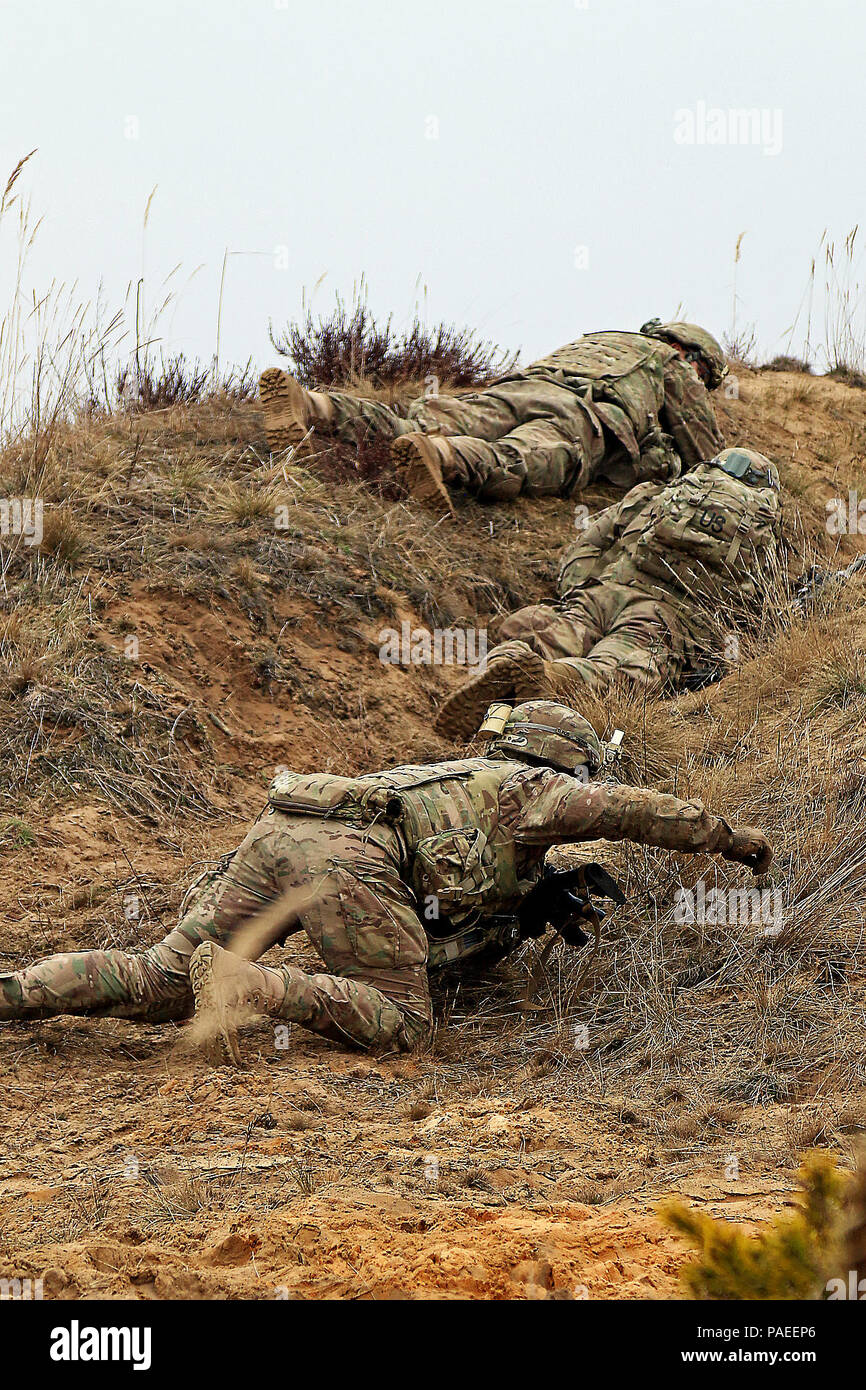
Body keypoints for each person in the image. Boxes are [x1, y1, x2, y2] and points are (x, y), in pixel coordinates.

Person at [0, 703, 772, 1060]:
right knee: (403, 1023)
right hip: (349, 857)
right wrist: (733, 840)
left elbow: (433, 927)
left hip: (284, 827)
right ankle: (252, 987)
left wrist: (522, 913)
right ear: (565, 760)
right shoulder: (535, 788)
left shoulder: (455, 777)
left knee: (163, 980)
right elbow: (640, 812)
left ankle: (16, 993)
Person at [436, 448, 783, 736]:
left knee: (550, 633)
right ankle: (550, 678)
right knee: (618, 670)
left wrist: (577, 590)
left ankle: (506, 662)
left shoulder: (659, 494)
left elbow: (589, 542)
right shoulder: (760, 531)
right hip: (663, 620)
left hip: (604, 592)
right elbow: (754, 613)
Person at [258, 320, 726, 514]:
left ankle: (313, 406)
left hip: (516, 388)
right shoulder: (673, 365)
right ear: (692, 356)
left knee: (411, 422)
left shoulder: (600, 337)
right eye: (705, 376)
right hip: (578, 414)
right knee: (522, 459)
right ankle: (442, 458)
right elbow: (706, 457)